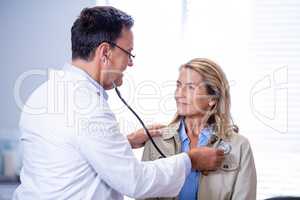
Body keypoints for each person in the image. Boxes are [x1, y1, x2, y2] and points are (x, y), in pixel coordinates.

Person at [13, 7, 225, 200]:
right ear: (105, 52)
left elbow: (74, 156)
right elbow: (135, 181)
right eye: (128, 53)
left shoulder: (45, 93)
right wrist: (191, 160)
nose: (130, 62)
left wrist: (128, 142)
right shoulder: (85, 106)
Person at [141, 58, 257, 200]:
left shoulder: (239, 146)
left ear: (212, 98)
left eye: (190, 87)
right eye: (178, 85)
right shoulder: (156, 141)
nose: (179, 94)